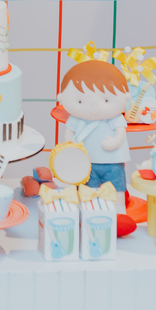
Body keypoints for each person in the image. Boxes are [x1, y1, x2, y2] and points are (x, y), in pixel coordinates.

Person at [57, 60, 131, 211]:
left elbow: (120, 134)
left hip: (112, 161)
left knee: (116, 189)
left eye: (106, 100)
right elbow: (69, 134)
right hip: (86, 163)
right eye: (80, 101)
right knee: (87, 191)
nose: (94, 107)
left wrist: (115, 142)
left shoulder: (114, 118)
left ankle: (118, 211)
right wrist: (71, 146)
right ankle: (88, 212)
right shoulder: (77, 119)